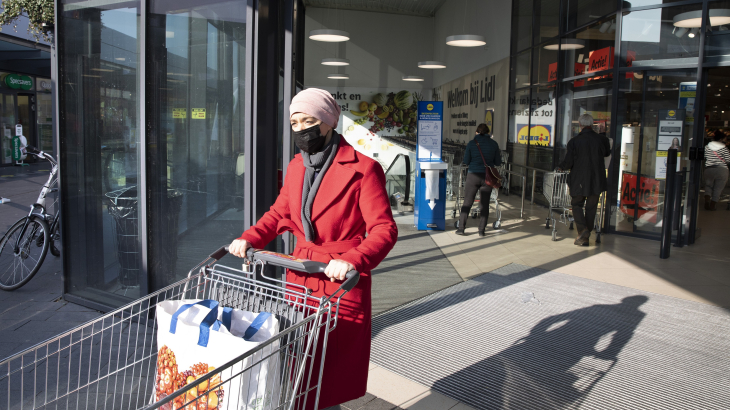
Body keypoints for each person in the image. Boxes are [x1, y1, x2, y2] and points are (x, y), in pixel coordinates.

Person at [228, 88, 398, 409]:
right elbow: (279, 214)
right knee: (299, 363)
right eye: (295, 122)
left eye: (310, 120)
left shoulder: (364, 169)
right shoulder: (296, 167)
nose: (302, 129)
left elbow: (383, 229)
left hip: (340, 280)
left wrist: (353, 259)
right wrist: (250, 237)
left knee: (327, 375)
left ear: (329, 122)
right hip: (301, 275)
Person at [558, 114, 611, 246]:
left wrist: (561, 167)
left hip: (579, 180)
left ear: (580, 125)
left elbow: (569, 161)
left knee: (576, 204)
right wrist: (603, 133)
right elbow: (606, 153)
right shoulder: (602, 140)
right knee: (591, 207)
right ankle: (585, 235)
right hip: (597, 180)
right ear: (592, 125)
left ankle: (583, 232)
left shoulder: (574, 141)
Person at [456, 123, 502, 236]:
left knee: (467, 202)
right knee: (484, 204)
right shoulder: (494, 144)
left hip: (473, 176)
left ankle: (461, 228)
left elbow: (466, 161)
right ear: (488, 133)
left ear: (477, 132)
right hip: (488, 177)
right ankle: (481, 230)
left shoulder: (472, 144)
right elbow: (497, 162)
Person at [703, 130, 730, 211]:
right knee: (718, 188)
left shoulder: (707, 147)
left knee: (708, 186)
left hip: (709, 169)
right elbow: (728, 160)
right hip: (722, 170)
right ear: (721, 139)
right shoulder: (724, 148)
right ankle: (713, 204)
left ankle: (707, 200)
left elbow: (704, 156)